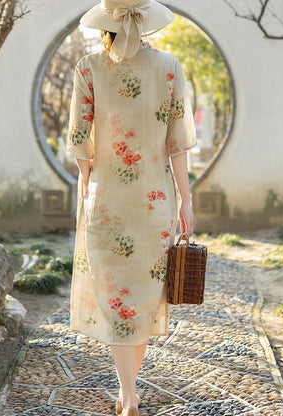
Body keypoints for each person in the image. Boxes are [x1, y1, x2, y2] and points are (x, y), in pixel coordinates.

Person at [66, 1, 197, 415]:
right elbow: (177, 145)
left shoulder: (88, 68)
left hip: (105, 201)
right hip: (155, 202)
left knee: (118, 302)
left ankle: (127, 395)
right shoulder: (170, 67)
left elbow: (80, 144)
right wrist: (187, 203)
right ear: (145, 25)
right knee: (139, 301)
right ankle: (129, 392)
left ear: (106, 25)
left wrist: (87, 183)